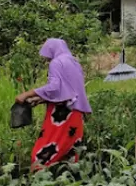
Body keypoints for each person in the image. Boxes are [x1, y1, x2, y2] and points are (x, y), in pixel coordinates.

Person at [15, 39, 92, 169]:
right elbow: (68, 91)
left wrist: (27, 94)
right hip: (76, 114)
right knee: (69, 154)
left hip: (61, 116)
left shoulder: (56, 63)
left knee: (42, 155)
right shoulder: (74, 62)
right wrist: (39, 99)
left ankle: (39, 182)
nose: (48, 60)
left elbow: (54, 88)